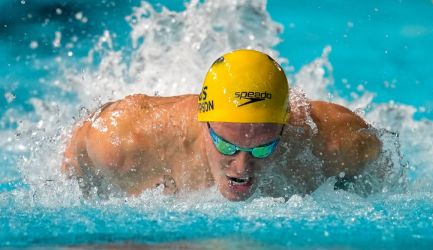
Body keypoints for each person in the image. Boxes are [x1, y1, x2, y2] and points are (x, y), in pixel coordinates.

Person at [62, 49, 381, 201]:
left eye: (263, 147)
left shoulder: (339, 141)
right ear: (204, 122)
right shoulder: (124, 142)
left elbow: (384, 176)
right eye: (227, 145)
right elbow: (74, 162)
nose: (242, 167)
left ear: (284, 128)